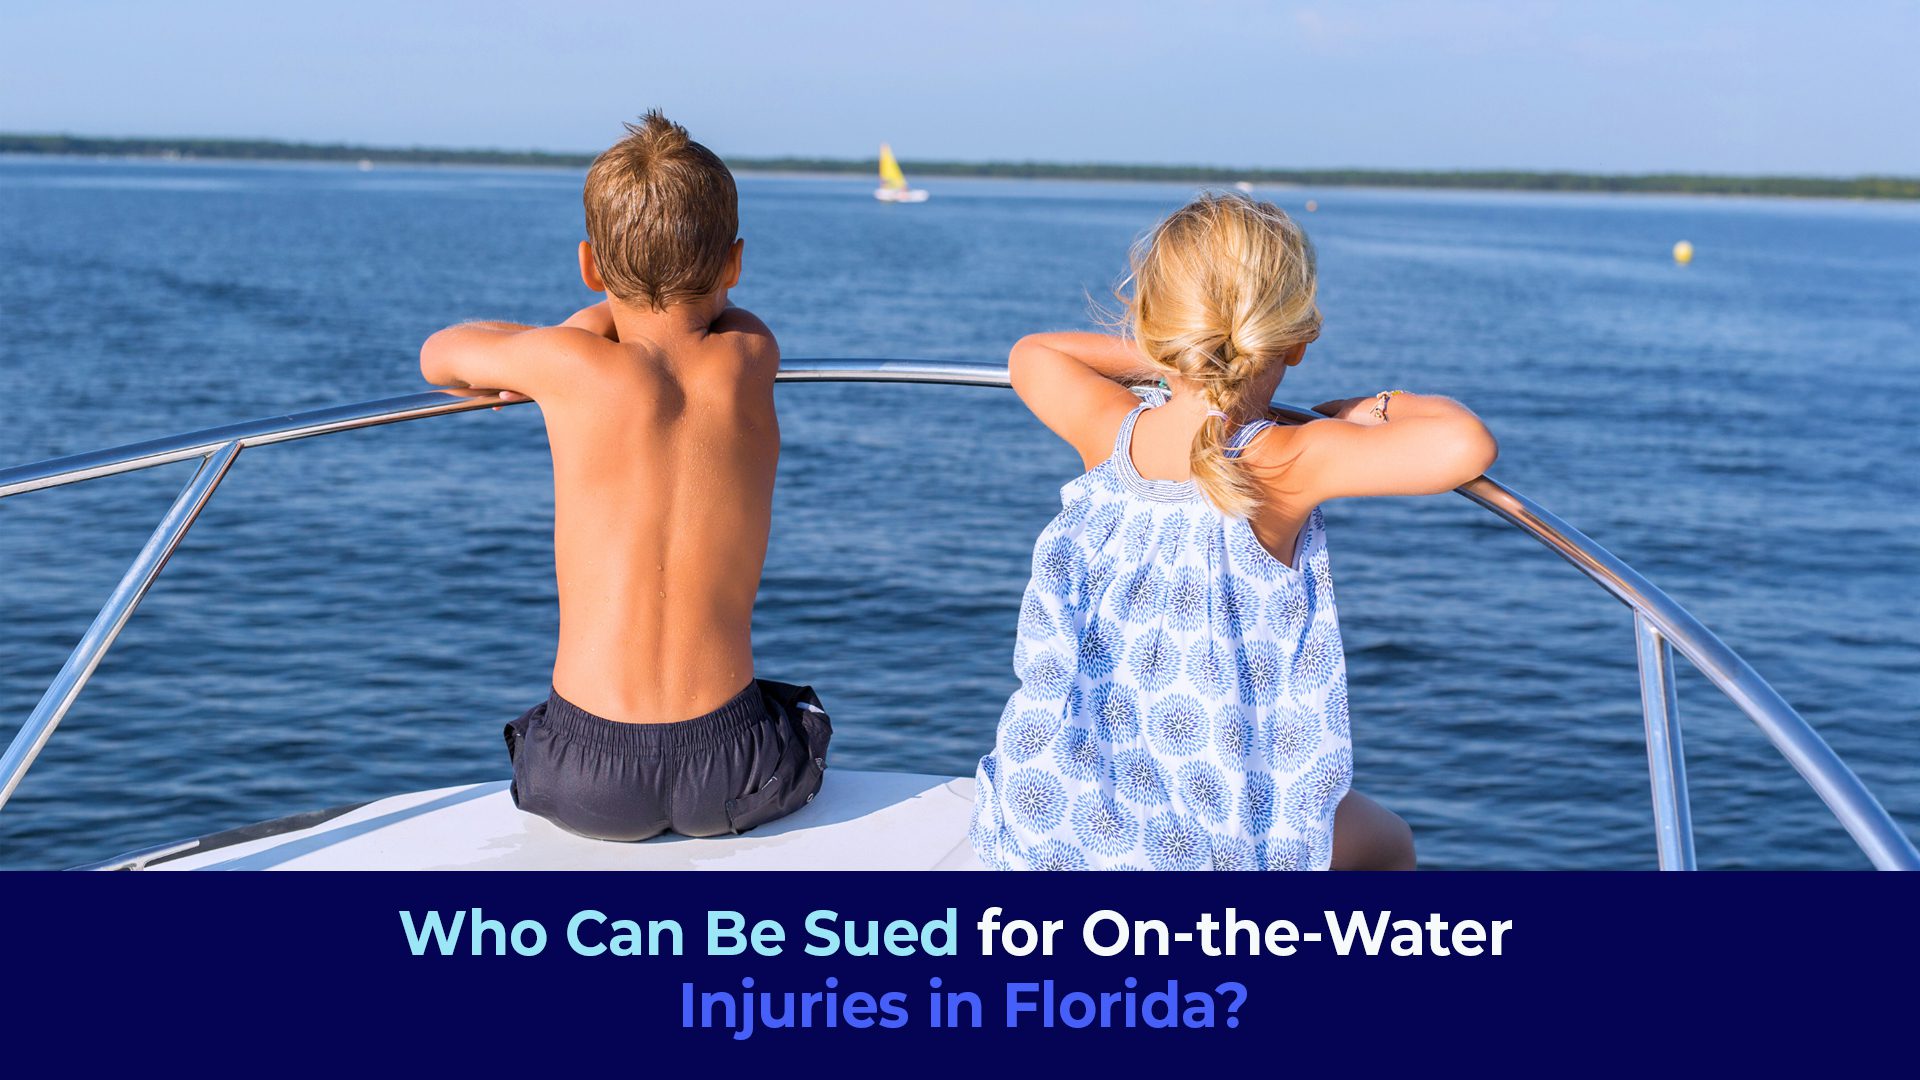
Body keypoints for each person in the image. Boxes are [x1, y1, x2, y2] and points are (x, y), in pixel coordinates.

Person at [969, 192, 1496, 870]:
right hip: (1202, 846)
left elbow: (1034, 353)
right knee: (1388, 843)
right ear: (1298, 339)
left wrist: (1172, 356)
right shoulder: (1289, 459)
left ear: (1160, 327)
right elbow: (1464, 444)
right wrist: (1377, 406)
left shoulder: (1109, 434)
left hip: (1049, 815)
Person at [418, 111, 828, 842]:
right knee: (794, 714)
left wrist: (573, 334)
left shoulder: (569, 365)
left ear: (589, 266)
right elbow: (706, 324)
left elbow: (440, 355)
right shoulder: (752, 352)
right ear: (733, 265)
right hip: (734, 767)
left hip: (583, 773)